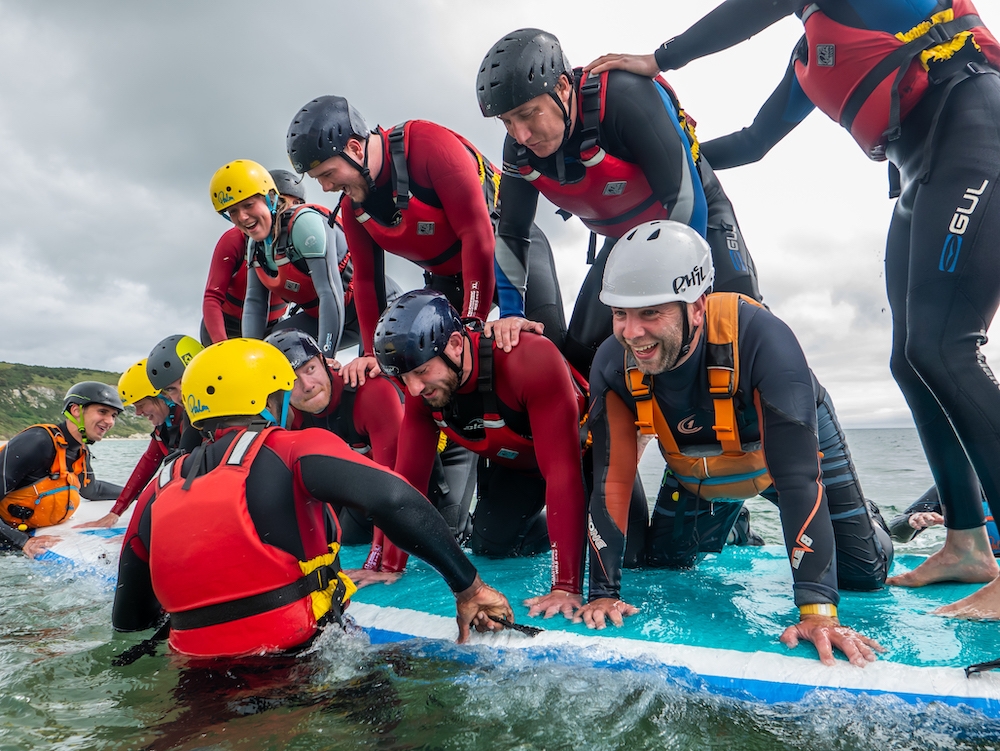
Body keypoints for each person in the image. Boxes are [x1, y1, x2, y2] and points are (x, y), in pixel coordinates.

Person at [586, 0, 1000, 617]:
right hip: (918, 172)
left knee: (946, 347)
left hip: (975, 125)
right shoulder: (808, 58)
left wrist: (659, 58)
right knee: (911, 358)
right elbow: (755, 143)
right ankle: (967, 541)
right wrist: (669, 161)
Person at [581, 220, 893, 667]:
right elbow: (611, 481)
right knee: (663, 563)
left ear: (697, 307)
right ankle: (737, 522)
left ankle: (871, 518)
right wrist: (603, 595)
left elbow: (799, 481)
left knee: (864, 578)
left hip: (787, 457)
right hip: (699, 466)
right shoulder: (613, 364)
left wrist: (817, 612)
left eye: (651, 313)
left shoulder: (765, 339)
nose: (632, 333)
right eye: (620, 314)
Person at [111, 338, 513, 657]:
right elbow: (395, 499)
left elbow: (129, 620)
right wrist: (470, 588)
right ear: (272, 398)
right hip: (306, 661)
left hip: (195, 679)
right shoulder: (294, 448)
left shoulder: (158, 488)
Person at [476, 28, 762, 376]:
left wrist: (670, 290)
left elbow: (684, 197)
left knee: (739, 330)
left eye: (528, 113)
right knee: (581, 357)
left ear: (563, 88)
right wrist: (511, 314)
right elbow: (512, 233)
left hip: (698, 220)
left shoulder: (623, 97)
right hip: (625, 240)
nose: (520, 134)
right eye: (507, 122)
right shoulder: (518, 150)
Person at [286, 95, 568, 381]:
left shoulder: (427, 146)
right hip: (449, 278)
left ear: (355, 148)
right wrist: (371, 354)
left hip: (507, 255)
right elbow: (367, 280)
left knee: (548, 347)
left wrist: (472, 320)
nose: (326, 187)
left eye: (328, 174)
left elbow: (477, 236)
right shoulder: (353, 205)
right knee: (429, 367)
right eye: (317, 179)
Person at [365, 289, 599, 619]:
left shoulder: (528, 359)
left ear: (456, 345)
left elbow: (563, 473)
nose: (414, 389)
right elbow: (407, 484)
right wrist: (388, 565)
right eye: (403, 378)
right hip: (523, 469)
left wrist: (565, 586)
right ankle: (556, 529)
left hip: (587, 460)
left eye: (421, 372)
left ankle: (586, 528)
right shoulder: (421, 390)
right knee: (489, 546)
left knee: (638, 556)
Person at [209, 159, 353, 358]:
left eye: (249, 205)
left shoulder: (304, 224)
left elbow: (329, 294)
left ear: (271, 198)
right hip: (320, 318)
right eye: (233, 211)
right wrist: (252, 359)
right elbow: (255, 304)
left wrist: (326, 357)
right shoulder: (255, 244)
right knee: (276, 348)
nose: (242, 217)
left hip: (368, 312)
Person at [0, 382, 124, 557]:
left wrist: (140, 492)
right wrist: (22, 542)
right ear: (75, 410)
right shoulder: (37, 442)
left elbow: (92, 489)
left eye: (114, 415)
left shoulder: (80, 451)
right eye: (102, 412)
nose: (110, 421)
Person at [76, 359, 192, 529]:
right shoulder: (165, 427)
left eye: (141, 405)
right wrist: (115, 512)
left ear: (162, 397)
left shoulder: (191, 422)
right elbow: (146, 466)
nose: (138, 413)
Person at [199, 170, 306, 346]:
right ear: (269, 202)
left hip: (272, 327)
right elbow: (212, 297)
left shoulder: (305, 237)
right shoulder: (234, 240)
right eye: (284, 203)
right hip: (227, 326)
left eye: (297, 204)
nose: (290, 210)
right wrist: (221, 345)